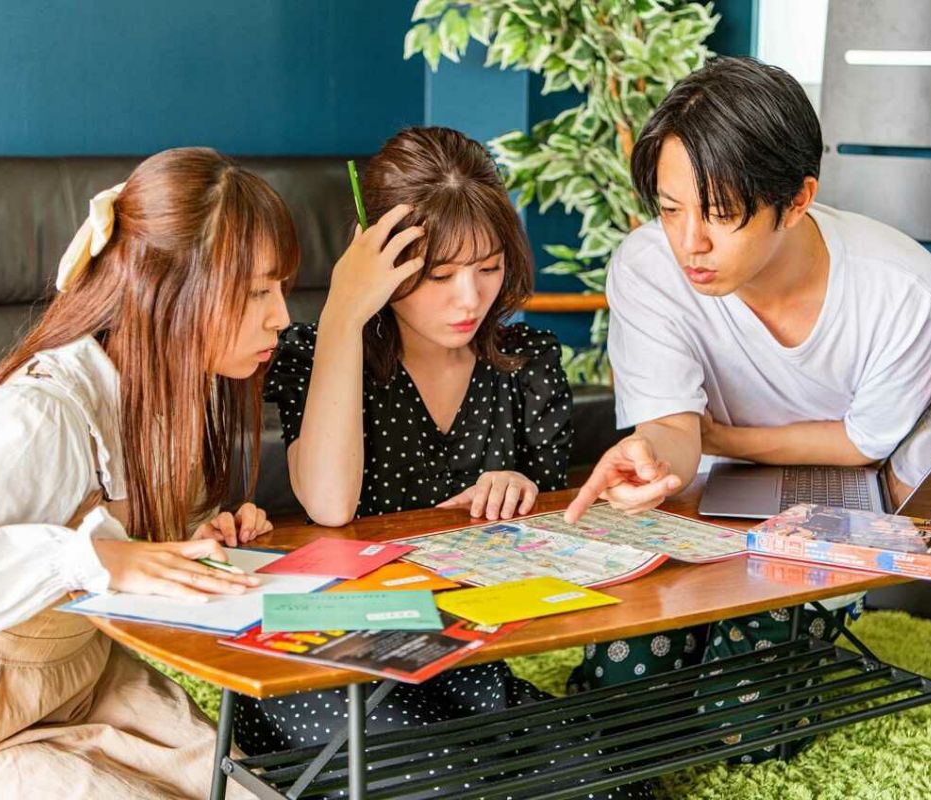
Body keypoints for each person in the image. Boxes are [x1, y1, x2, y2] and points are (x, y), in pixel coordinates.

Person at [0, 147, 294, 799]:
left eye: (280, 288)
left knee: (243, 789)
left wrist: (193, 540)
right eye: (256, 292)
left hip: (76, 685)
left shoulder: (175, 394)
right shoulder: (37, 419)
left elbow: (127, 540)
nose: (281, 316)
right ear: (166, 292)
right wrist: (83, 560)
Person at [564, 56, 931, 761]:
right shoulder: (648, 267)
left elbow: (867, 444)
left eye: (721, 214)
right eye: (670, 209)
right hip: (695, 510)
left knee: (741, 735)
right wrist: (655, 457)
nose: (690, 243)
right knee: (617, 707)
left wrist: (722, 436)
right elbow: (673, 427)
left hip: (824, 516)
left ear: (798, 199)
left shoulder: (903, 292)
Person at [238, 127, 647, 799]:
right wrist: (343, 312)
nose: (469, 299)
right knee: (445, 783)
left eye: (488, 269)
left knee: (611, 782)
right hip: (330, 661)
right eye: (438, 276)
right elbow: (331, 506)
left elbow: (551, 544)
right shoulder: (318, 353)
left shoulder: (528, 363)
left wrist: (521, 488)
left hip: (462, 655)